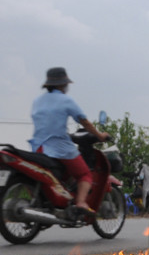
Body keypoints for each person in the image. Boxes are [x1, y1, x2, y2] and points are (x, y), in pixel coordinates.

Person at [29, 67, 110, 214]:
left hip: (38, 148)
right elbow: (84, 121)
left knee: (65, 174)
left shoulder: (37, 101)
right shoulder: (66, 100)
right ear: (62, 84)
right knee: (85, 174)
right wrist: (99, 135)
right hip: (59, 147)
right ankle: (81, 202)